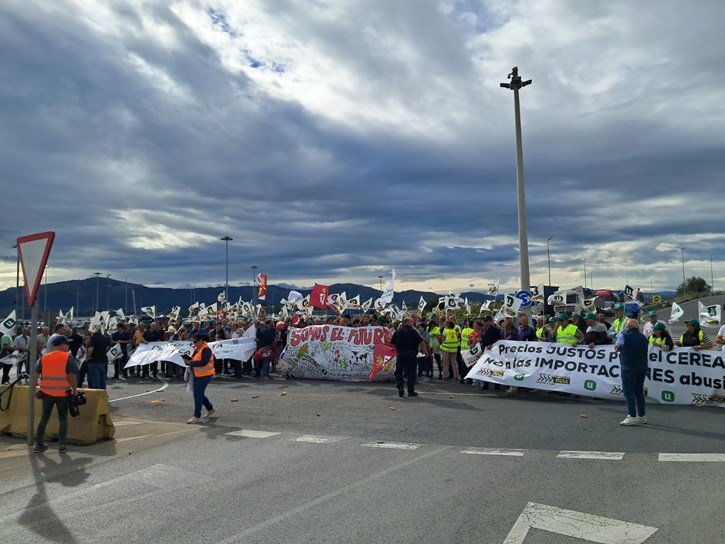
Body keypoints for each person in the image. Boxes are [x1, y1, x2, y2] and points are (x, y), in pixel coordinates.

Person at [32, 335, 79, 453]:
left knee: (44, 418)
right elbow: (71, 376)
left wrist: (33, 390)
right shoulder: (68, 357)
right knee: (63, 418)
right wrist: (75, 390)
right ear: (62, 345)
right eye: (67, 344)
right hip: (62, 394)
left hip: (46, 393)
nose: (68, 346)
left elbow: (36, 375)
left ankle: (39, 444)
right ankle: (62, 445)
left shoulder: (44, 357)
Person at [614, 319, 649, 426]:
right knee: (639, 391)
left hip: (628, 366)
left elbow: (616, 348)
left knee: (628, 391)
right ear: (638, 327)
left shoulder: (623, 335)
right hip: (642, 366)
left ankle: (632, 415)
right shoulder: (643, 337)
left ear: (628, 326)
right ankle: (642, 416)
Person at [183, 333, 216, 424]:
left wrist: (191, 363)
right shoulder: (198, 348)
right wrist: (188, 361)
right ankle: (210, 409)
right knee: (199, 394)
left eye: (195, 341)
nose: (194, 343)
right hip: (198, 374)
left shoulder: (206, 349)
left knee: (197, 394)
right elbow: (196, 360)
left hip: (205, 374)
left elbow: (204, 362)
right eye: (193, 341)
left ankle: (197, 416)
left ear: (201, 340)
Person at [390, 317, 423, 397]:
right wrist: (425, 351)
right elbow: (421, 341)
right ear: (407, 322)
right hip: (411, 353)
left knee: (398, 371)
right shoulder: (413, 331)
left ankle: (400, 386)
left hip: (401, 353)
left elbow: (392, 343)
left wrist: (398, 347)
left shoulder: (397, 331)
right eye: (412, 321)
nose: (413, 323)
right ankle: (410, 391)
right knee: (411, 372)